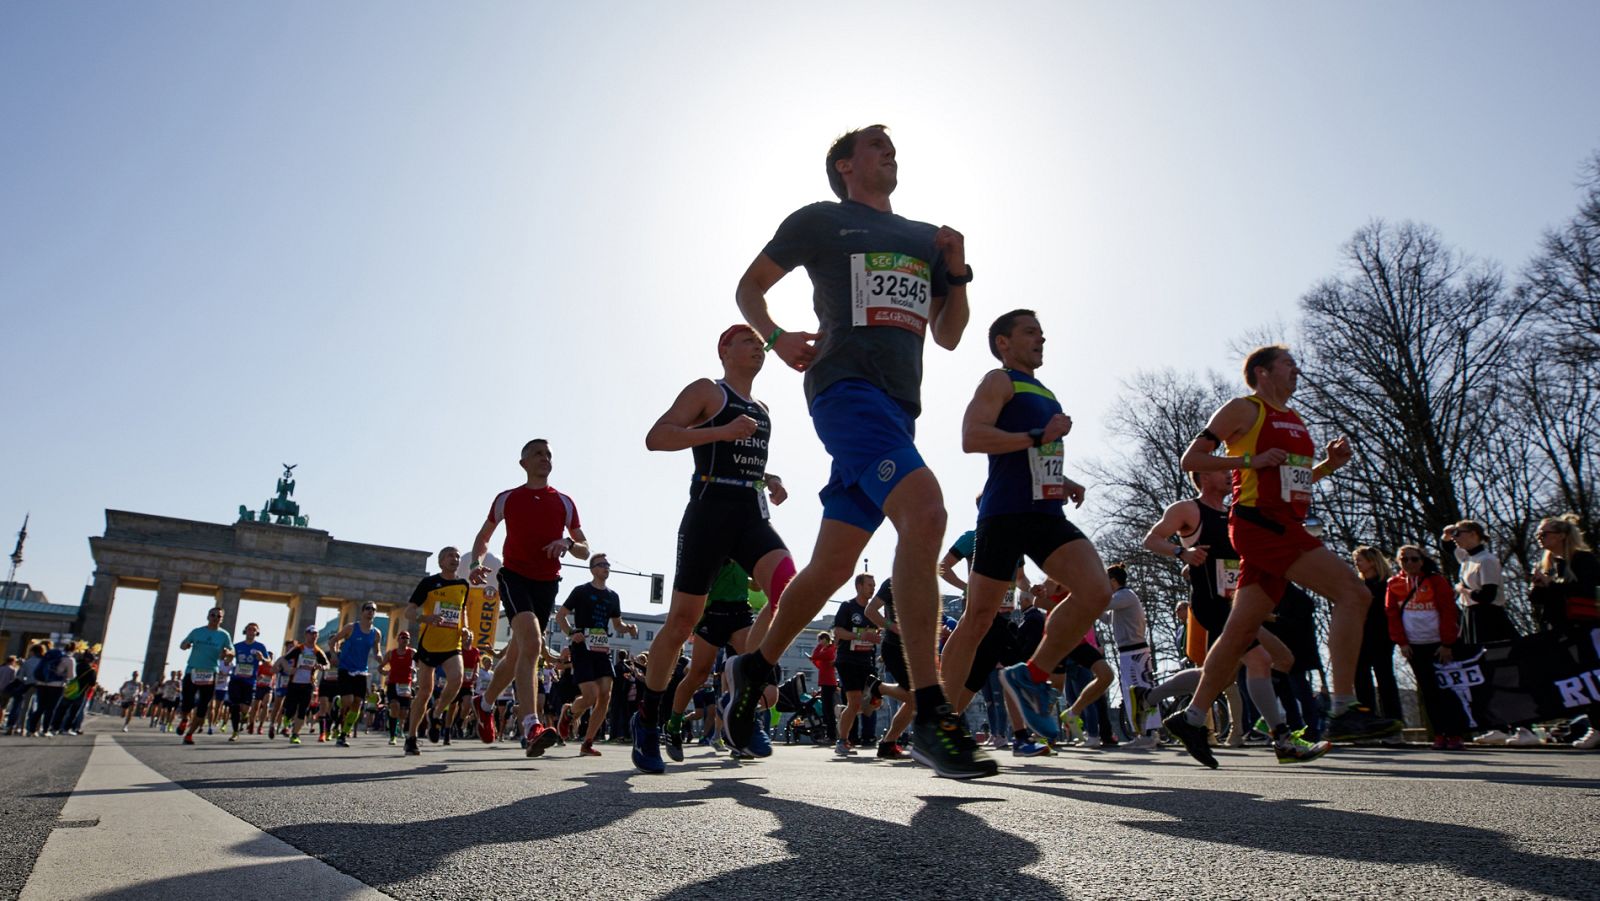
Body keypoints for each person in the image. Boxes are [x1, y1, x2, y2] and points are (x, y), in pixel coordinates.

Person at [726, 124, 989, 779]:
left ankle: (751, 667)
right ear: (845, 166)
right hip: (845, 390)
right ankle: (932, 712)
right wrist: (777, 336)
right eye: (877, 146)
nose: (890, 152)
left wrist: (955, 272)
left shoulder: (924, 238)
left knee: (831, 566)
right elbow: (749, 288)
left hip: (898, 411)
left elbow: (951, 334)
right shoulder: (821, 220)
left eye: (894, 147)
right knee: (925, 511)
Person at [1164, 345, 1399, 768]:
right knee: (1353, 593)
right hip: (1261, 523)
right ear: (1263, 372)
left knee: (1238, 633)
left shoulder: (1293, 419)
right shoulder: (1244, 409)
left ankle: (1193, 716)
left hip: (1282, 522)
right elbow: (1191, 459)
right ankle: (1343, 706)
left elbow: (1291, 478)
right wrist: (1248, 459)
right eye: (1289, 365)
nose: (1297, 371)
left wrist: (1328, 465)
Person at [947, 309, 1114, 753]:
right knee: (979, 618)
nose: (1041, 338)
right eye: (1030, 332)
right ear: (1004, 343)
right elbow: (972, 437)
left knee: (1096, 591)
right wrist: (1039, 435)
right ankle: (939, 716)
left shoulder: (1047, 393)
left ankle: (1032, 674)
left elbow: (1038, 458)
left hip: (1046, 514)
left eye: (1042, 333)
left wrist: (1064, 479)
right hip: (1004, 513)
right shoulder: (998, 381)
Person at [633, 324, 795, 774]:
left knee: (790, 592)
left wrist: (770, 479)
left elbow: (747, 462)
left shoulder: (763, 409)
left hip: (750, 513)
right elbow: (657, 437)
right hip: (709, 508)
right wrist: (718, 432)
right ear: (724, 350)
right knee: (682, 621)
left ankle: (746, 689)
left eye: (760, 345)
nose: (757, 349)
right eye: (747, 341)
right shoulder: (708, 390)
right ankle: (648, 717)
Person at [468, 440, 589, 756]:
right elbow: (484, 537)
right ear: (523, 462)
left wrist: (567, 543)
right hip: (515, 578)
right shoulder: (507, 498)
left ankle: (485, 703)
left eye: (549, 454)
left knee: (516, 653)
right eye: (538, 453)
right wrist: (476, 563)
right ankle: (531, 726)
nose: (545, 458)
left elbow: (585, 547)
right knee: (533, 644)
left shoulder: (564, 502)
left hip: (547, 583)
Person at [1527, 514, 1600, 750]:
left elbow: (1587, 590)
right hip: (1561, 629)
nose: (1540, 537)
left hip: (1586, 627)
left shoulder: (1583, 559)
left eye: (1544, 533)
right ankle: (1591, 724)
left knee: (1590, 676)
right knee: (1575, 679)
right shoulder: (1550, 564)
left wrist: (1552, 585)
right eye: (1538, 534)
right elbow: (1539, 599)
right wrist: (1538, 585)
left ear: (1561, 535)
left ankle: (1596, 727)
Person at [554, 553, 638, 756]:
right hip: (582, 648)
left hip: (601, 649)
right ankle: (569, 713)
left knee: (605, 696)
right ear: (592, 569)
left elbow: (618, 624)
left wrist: (630, 629)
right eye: (602, 565)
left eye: (608, 565)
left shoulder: (612, 596)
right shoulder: (581, 591)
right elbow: (560, 616)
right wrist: (572, 633)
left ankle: (587, 742)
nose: (606, 568)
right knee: (590, 696)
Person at [1386, 546, 1467, 749]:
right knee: (1428, 691)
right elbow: (1392, 615)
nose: (1410, 563)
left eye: (1415, 559)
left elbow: (1448, 611)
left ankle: (1456, 733)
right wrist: (1402, 643)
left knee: (1447, 690)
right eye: (1405, 560)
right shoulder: (1394, 584)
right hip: (1414, 645)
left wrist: (1447, 643)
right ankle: (1439, 733)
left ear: (1422, 561)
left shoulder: (1436, 581)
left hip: (1439, 644)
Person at [404, 547, 469, 756]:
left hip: (452, 644)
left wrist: (466, 628)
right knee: (424, 692)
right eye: (450, 555)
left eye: (457, 556)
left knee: (457, 679)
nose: (455, 559)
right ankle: (411, 737)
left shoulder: (463, 585)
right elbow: (409, 611)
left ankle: (437, 713)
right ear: (441, 562)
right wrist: (426, 618)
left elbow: (463, 610)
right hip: (429, 644)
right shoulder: (429, 583)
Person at [1351, 547, 1405, 733]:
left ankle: (1393, 721)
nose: (1357, 563)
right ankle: (1367, 720)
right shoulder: (1357, 585)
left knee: (1385, 678)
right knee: (1361, 678)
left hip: (1381, 636)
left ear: (1372, 561)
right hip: (1360, 636)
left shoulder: (1386, 585)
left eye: (1360, 559)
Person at [326, 603, 384, 748]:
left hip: (361, 671)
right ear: (362, 611)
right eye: (368, 609)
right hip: (345, 668)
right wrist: (333, 655)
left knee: (357, 703)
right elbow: (333, 641)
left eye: (373, 610)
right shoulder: (351, 628)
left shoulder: (376, 633)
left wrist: (379, 656)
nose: (371, 611)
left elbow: (377, 650)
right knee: (348, 700)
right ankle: (338, 703)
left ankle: (344, 734)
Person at [177, 607, 232, 746]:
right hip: (192, 671)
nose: (215, 618)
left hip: (210, 673)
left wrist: (228, 654)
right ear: (208, 616)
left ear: (222, 619)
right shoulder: (197, 632)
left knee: (203, 706)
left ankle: (189, 735)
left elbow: (232, 651)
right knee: (187, 703)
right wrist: (186, 645)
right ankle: (184, 720)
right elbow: (182, 645)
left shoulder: (224, 635)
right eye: (213, 615)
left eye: (218, 616)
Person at [281, 627, 329, 744]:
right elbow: (284, 659)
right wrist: (288, 668)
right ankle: (286, 721)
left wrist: (322, 667)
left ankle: (295, 734)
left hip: (308, 684)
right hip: (294, 683)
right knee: (290, 709)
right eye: (312, 634)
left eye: (316, 634)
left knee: (303, 710)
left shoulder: (318, 651)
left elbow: (327, 664)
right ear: (306, 635)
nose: (314, 636)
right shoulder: (298, 649)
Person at [228, 624, 272, 742]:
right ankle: (235, 731)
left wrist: (262, 658)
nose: (251, 631)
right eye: (249, 629)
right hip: (236, 679)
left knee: (245, 708)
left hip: (250, 681)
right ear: (245, 631)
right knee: (235, 705)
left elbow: (269, 663)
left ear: (257, 633)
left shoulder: (260, 646)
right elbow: (227, 659)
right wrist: (227, 656)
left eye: (254, 630)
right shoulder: (237, 646)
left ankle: (245, 715)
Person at [382, 631, 416, 746]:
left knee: (403, 713)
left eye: (407, 638)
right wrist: (386, 673)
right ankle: (392, 736)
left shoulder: (412, 652)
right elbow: (380, 667)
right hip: (393, 684)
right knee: (395, 706)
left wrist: (416, 670)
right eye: (402, 637)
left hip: (406, 685)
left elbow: (421, 664)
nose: (405, 639)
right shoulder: (391, 653)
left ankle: (396, 725)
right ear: (398, 639)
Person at [807, 631, 838, 745]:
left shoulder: (830, 649)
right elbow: (820, 664)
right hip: (826, 681)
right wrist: (814, 660)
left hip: (828, 682)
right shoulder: (827, 650)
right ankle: (829, 735)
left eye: (820, 640)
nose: (819, 643)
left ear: (825, 639)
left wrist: (819, 646)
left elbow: (816, 655)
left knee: (828, 710)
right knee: (826, 709)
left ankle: (832, 736)